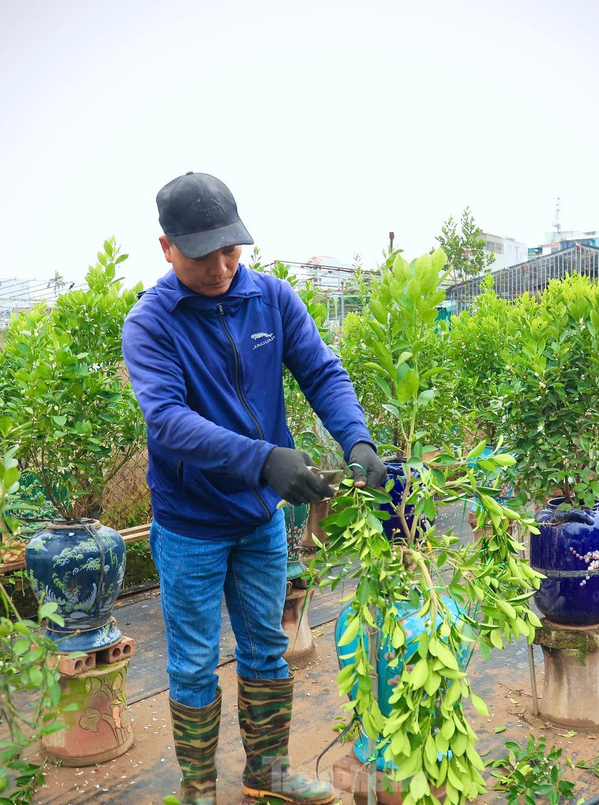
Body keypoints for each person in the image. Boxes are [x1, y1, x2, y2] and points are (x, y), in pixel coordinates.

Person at [122, 172, 386, 805]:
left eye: (230, 249)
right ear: (166, 248)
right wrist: (263, 459)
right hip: (191, 525)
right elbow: (168, 422)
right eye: (201, 254)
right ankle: (198, 791)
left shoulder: (271, 299)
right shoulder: (151, 323)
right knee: (192, 662)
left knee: (266, 647)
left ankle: (267, 773)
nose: (220, 266)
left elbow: (321, 372)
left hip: (261, 517)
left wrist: (358, 440)